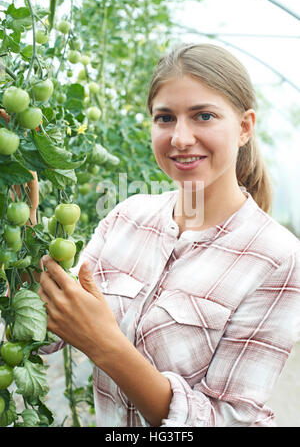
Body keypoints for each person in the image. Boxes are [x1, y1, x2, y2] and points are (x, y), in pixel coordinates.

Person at [36, 43, 300, 427]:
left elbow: (229, 419)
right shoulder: (127, 216)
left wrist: (106, 346)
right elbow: (48, 329)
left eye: (203, 116)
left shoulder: (277, 257)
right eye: (164, 118)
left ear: (244, 127)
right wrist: (20, 214)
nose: (180, 138)